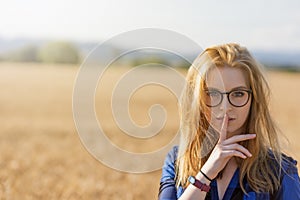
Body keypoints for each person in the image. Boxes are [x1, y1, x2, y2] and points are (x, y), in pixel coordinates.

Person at [158, 43, 300, 199]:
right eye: (212, 93)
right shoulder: (179, 161)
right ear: (197, 99)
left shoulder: (281, 172)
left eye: (238, 94)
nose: (225, 107)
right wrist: (206, 175)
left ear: (254, 99)